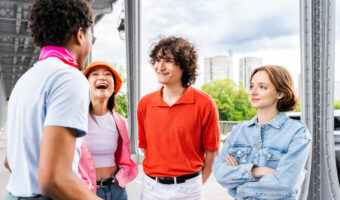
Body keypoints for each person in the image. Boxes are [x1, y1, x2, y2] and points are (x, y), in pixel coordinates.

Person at [4, 0, 100, 199]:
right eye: (93, 37)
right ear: (80, 35)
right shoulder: (68, 78)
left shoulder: (25, 80)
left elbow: (9, 161)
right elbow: (55, 179)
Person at [137, 36, 220, 200]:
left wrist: (196, 184)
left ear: (184, 65)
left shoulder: (205, 103)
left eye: (168, 60)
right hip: (151, 189)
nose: (160, 67)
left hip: (189, 189)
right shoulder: (145, 104)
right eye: (157, 60)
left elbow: (212, 152)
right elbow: (146, 148)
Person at [213, 65, 312, 200]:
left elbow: (285, 184)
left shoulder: (297, 133)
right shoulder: (239, 131)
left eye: (262, 87)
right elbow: (220, 173)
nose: (253, 92)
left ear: (280, 93)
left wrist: (239, 187)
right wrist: (255, 171)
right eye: (252, 86)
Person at [79, 61, 138, 200]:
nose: (102, 77)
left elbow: (124, 159)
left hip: (117, 190)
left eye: (107, 74)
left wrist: (120, 178)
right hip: (86, 191)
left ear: (114, 87)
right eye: (95, 74)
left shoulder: (120, 122)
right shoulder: (76, 119)